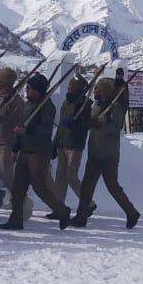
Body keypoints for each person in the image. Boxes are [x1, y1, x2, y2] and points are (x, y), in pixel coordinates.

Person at [0, 73, 71, 230]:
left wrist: (26, 131)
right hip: (24, 150)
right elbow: (20, 126)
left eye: (29, 88)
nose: (26, 90)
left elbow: (44, 131)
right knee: (18, 188)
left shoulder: (47, 107)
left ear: (37, 91)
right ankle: (16, 219)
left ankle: (62, 210)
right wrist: (16, 147)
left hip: (39, 152)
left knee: (39, 187)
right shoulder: (27, 104)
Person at [70, 76, 139, 228]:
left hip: (109, 155)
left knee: (113, 187)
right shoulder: (96, 105)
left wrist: (99, 124)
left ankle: (131, 212)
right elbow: (91, 122)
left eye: (98, 89)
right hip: (94, 153)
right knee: (87, 187)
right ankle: (81, 217)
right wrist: (87, 123)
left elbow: (116, 128)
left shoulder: (115, 107)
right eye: (95, 88)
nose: (95, 91)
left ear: (106, 91)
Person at [0, 67, 24, 210]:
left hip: (6, 143)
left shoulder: (17, 101)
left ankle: (21, 203)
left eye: (0, 79)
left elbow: (15, 121)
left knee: (7, 177)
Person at [52, 76, 92, 210]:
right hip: (63, 143)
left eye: (71, 87)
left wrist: (75, 125)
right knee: (60, 178)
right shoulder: (66, 102)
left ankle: (88, 202)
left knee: (71, 176)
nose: (68, 89)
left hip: (75, 145)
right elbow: (61, 126)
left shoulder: (85, 104)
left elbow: (86, 124)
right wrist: (55, 142)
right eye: (68, 87)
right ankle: (58, 206)